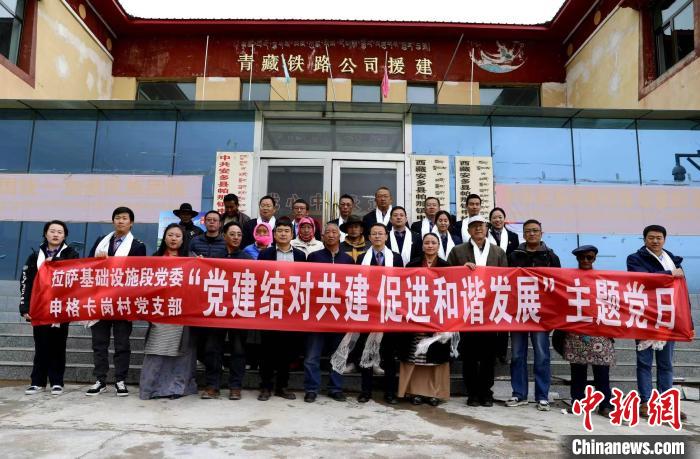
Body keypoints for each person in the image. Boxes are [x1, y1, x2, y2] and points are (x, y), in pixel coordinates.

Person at [627, 224, 687, 421]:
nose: (655, 241)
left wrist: (688, 322)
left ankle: (666, 404)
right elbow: (643, 279)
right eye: (651, 237)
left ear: (664, 239)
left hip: (668, 317)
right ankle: (645, 402)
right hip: (644, 316)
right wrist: (669, 275)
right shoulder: (634, 259)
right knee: (644, 363)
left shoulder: (673, 261)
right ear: (644, 239)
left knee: (666, 364)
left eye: (659, 238)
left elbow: (682, 292)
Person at [447, 215, 507, 407]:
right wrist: (461, 269)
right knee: (469, 356)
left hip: (490, 311)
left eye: (481, 226)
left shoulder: (498, 252)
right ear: (468, 231)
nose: (478, 229)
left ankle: (486, 392)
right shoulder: (458, 251)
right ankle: (472, 392)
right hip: (467, 312)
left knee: (489, 356)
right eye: (474, 226)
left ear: (487, 228)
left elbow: (505, 279)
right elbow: (447, 277)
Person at [86, 206, 147, 396]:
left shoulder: (137, 245)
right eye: (117, 218)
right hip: (100, 299)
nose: (121, 221)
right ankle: (100, 380)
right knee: (99, 343)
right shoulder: (101, 242)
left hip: (123, 301)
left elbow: (138, 273)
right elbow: (88, 266)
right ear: (113, 221)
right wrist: (97, 261)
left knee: (122, 343)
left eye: (124, 218)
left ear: (131, 223)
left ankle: (120, 380)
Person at [20, 220, 80, 396]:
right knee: (41, 345)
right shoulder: (34, 256)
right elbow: (26, 282)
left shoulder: (71, 254)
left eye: (60, 232)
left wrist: (55, 261)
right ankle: (37, 382)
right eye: (52, 231)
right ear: (45, 234)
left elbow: (75, 274)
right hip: (39, 307)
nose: (55, 234)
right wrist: (24, 306)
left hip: (60, 307)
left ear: (65, 236)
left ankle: (57, 382)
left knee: (58, 345)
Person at [506, 219, 560, 411]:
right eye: (528, 231)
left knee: (542, 355)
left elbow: (558, 286)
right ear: (523, 234)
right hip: (518, 313)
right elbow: (505, 282)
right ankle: (519, 394)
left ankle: (542, 396)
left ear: (541, 233)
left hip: (541, 314)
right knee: (517, 355)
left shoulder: (551, 257)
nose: (531, 234)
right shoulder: (514, 255)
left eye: (535, 230)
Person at [139, 224, 198, 400]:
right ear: (164, 237)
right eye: (170, 235)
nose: (173, 239)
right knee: (157, 349)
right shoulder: (155, 259)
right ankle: (152, 389)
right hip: (160, 311)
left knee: (180, 353)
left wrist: (201, 264)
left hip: (182, 312)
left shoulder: (191, 258)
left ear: (183, 239)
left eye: (177, 236)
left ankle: (176, 389)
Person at [200, 221, 255, 400]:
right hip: (217, 309)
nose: (236, 237)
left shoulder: (248, 259)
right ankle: (212, 385)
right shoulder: (214, 258)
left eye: (239, 234)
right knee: (212, 348)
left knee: (238, 349)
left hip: (239, 311)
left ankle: (235, 386)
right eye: (232, 234)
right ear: (224, 236)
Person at [400, 233, 454, 406]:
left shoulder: (447, 267)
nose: (430, 245)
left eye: (433, 243)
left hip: (438, 316)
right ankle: (414, 392)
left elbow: (452, 291)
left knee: (435, 357)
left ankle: (435, 393)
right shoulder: (412, 265)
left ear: (438, 246)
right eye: (427, 243)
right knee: (416, 356)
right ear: (422, 246)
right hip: (415, 315)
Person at [303, 222, 355, 403]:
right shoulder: (313, 257)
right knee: (312, 356)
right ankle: (311, 389)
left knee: (339, 354)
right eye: (328, 232)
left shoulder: (348, 260)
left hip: (339, 315)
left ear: (340, 236)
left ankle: (336, 388)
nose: (331, 235)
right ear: (322, 236)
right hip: (317, 314)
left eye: (334, 232)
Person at [256, 218, 306, 401]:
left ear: (292, 234)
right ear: (274, 234)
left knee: (287, 350)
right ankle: (265, 387)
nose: (283, 234)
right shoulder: (265, 254)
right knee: (268, 350)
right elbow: (259, 278)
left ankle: (282, 387)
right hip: (270, 306)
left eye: (287, 231)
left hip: (291, 308)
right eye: (280, 231)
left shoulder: (300, 255)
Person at [564, 245, 614, 417]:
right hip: (576, 331)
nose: (585, 260)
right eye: (582, 257)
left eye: (589, 257)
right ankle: (578, 402)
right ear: (577, 259)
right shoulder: (568, 278)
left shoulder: (602, 279)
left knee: (602, 372)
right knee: (578, 372)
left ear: (595, 258)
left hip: (599, 331)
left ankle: (605, 405)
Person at [356, 223, 403, 404]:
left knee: (388, 355)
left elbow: (400, 283)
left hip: (389, 311)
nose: (377, 236)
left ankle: (390, 392)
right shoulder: (362, 258)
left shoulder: (396, 258)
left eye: (380, 233)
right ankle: (365, 391)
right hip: (368, 311)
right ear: (369, 237)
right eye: (374, 234)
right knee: (366, 351)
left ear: (386, 237)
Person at [487, 207, 520, 364]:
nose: (497, 220)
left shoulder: (513, 236)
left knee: (503, 317)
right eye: (494, 217)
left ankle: (501, 353)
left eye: (500, 217)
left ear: (504, 219)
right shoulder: (485, 236)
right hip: (488, 282)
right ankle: (490, 352)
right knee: (490, 316)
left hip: (507, 282)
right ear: (490, 220)